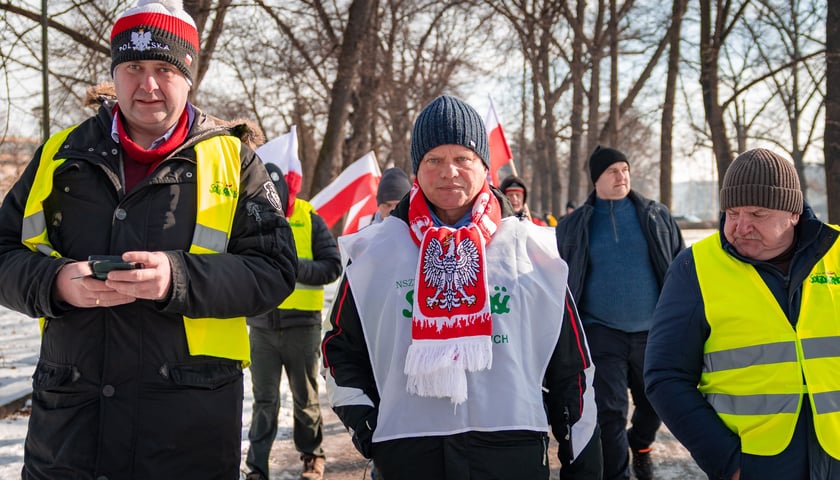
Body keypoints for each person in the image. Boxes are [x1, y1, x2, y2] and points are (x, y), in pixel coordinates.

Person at [0, 1, 298, 478]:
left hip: (185, 435)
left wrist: (177, 278)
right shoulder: (59, 155)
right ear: (115, 73)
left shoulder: (235, 161)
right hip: (70, 438)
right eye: (134, 67)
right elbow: (4, 254)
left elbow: (275, 269)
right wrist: (54, 281)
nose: (148, 85)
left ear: (189, 76)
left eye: (164, 68)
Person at [322, 94, 602, 480]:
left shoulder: (530, 248)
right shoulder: (375, 253)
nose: (448, 172)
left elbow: (571, 367)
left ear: (484, 166)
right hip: (408, 454)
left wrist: (582, 464)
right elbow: (338, 351)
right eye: (433, 160)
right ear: (416, 169)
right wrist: (370, 429)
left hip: (511, 454)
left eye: (462, 159)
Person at [645, 148, 840, 480]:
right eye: (732, 212)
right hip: (756, 463)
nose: (740, 226)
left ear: (793, 213)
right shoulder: (696, 267)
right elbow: (665, 376)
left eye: (757, 213)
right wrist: (728, 462)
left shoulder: (836, 254)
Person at [555, 146, 684, 480]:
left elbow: (679, 264)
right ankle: (618, 475)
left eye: (625, 169)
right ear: (596, 178)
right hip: (601, 331)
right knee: (610, 412)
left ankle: (640, 440)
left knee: (657, 401)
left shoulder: (657, 216)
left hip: (653, 331)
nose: (621, 176)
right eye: (613, 171)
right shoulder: (573, 226)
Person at [245, 161, 342, 480]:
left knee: (305, 398)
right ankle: (256, 468)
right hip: (262, 329)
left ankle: (313, 457)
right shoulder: (251, 216)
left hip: (302, 327)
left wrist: (294, 267)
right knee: (264, 402)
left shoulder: (309, 217)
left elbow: (332, 267)